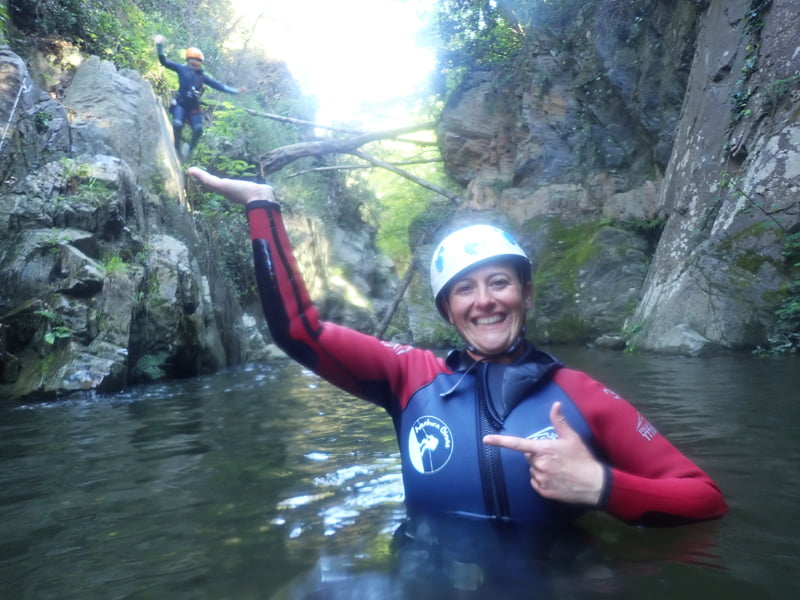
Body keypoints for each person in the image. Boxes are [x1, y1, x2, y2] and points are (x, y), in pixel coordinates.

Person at [188, 167, 728, 528]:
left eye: (500, 282)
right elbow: (300, 332)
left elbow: (705, 497)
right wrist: (262, 205)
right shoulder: (409, 377)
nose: (484, 301)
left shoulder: (580, 395)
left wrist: (602, 486)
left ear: (526, 295)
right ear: (448, 310)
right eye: (464, 289)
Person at [153, 35, 245, 160]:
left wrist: (236, 91)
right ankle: (176, 147)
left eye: (197, 60)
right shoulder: (181, 69)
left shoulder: (202, 76)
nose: (195, 62)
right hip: (180, 104)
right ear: (188, 60)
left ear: (200, 62)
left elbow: (219, 86)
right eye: (192, 59)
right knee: (178, 124)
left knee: (198, 129)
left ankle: (189, 150)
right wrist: (159, 45)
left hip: (193, 108)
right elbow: (164, 62)